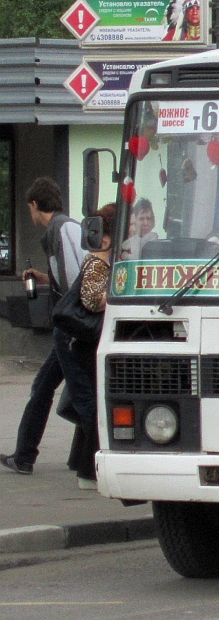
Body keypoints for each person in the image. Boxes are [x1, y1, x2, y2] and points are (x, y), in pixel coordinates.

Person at [1, 177, 87, 476]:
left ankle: (91, 459)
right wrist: (42, 277)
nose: (31, 215)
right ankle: (24, 455)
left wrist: (71, 316)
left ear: (36, 204)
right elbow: (70, 276)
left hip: (71, 325)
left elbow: (78, 278)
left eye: (30, 208)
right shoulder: (62, 229)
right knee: (45, 387)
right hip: (68, 324)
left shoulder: (62, 228)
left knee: (81, 393)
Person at [65, 204, 115, 489]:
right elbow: (91, 299)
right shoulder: (97, 262)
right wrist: (120, 294)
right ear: (105, 237)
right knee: (95, 406)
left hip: (91, 341)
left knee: (92, 405)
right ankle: (87, 471)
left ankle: (82, 465)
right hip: (87, 342)